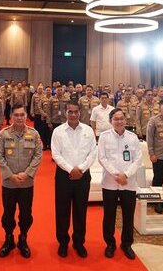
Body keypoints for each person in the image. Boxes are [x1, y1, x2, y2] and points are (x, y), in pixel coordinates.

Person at [0, 104, 43, 258]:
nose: (19, 118)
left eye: (22, 115)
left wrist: (27, 174)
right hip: (9, 183)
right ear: (12, 116)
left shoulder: (34, 134)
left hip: (26, 183)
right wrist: (10, 175)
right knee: (8, 213)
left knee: (26, 214)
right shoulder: (4, 134)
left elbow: (38, 155)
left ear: (26, 115)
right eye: (16, 115)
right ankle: (8, 238)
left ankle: (23, 238)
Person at [50, 101, 97, 258]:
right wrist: (71, 169)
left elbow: (93, 152)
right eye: (70, 112)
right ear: (65, 113)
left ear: (80, 112)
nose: (73, 114)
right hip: (64, 175)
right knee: (62, 210)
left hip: (83, 176)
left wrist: (81, 169)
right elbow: (55, 154)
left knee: (80, 210)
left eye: (76, 111)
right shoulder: (58, 131)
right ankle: (63, 242)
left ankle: (78, 242)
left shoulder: (88, 131)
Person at [98, 108, 142, 260]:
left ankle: (127, 244)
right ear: (110, 121)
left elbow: (138, 159)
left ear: (125, 120)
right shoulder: (104, 137)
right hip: (110, 183)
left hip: (128, 184)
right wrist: (116, 175)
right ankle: (110, 244)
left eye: (121, 118)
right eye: (115, 119)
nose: (119, 121)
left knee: (128, 215)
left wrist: (126, 175)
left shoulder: (133, 137)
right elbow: (102, 158)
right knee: (109, 215)